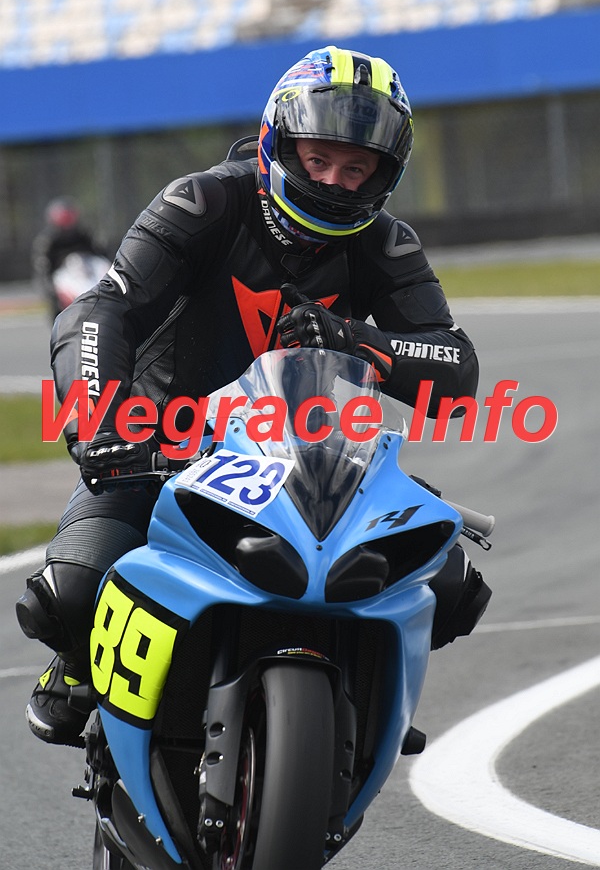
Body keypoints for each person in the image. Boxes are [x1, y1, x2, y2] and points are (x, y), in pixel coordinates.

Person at [16, 45, 489, 745]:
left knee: (451, 583)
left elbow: (454, 366)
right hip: (165, 446)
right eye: (318, 158)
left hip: (311, 459)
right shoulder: (204, 201)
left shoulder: (387, 244)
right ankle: (81, 667)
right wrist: (100, 421)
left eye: (355, 169)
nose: (333, 182)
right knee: (70, 594)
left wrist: (354, 338)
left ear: (384, 176)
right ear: (278, 143)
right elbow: (101, 310)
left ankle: (366, 690)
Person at [32, 197, 106, 320]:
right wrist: (54, 292)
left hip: (89, 276)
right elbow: (43, 270)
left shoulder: (85, 236)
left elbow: (101, 257)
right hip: (65, 279)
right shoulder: (48, 241)